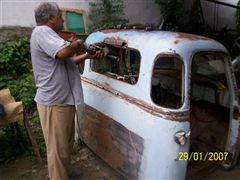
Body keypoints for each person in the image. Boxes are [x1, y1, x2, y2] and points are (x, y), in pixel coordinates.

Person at [30, 2, 103, 180]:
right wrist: (78, 44)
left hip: (63, 101)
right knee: (57, 150)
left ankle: (64, 173)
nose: (63, 20)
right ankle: (58, 176)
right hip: (54, 103)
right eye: (60, 17)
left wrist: (87, 55)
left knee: (65, 146)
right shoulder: (42, 32)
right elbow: (64, 52)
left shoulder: (52, 36)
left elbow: (68, 61)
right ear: (51, 18)